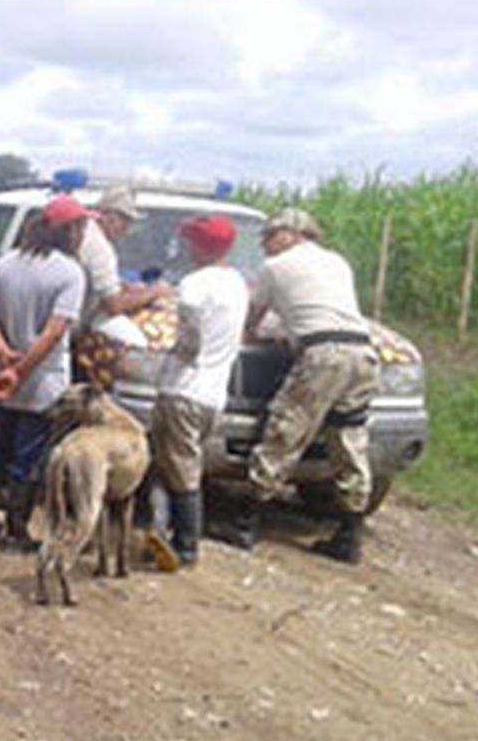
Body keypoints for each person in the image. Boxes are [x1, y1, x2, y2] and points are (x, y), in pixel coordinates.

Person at [215, 208, 380, 564]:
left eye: (270, 237)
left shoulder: (276, 268)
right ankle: (350, 533)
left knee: (284, 431)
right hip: (363, 354)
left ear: (293, 234)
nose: (266, 246)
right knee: (348, 440)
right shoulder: (337, 262)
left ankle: (246, 523)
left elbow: (253, 319)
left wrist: (256, 333)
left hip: (323, 356)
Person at [0, 195, 90, 546]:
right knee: (28, 455)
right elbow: (54, 332)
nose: (84, 233)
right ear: (69, 230)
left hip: (1, 374)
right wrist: (22, 371)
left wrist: (5, 355)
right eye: (81, 226)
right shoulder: (70, 273)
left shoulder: (5, 264)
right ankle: (17, 530)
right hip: (43, 380)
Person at [142, 214, 248, 570]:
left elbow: (189, 338)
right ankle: (157, 530)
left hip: (183, 389)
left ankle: (186, 544)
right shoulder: (237, 285)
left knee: (181, 468)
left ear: (201, 246)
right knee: (170, 461)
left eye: (191, 242)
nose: (187, 248)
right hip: (213, 395)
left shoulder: (195, 284)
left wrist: (180, 351)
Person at [77, 184, 172, 325]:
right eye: (125, 223)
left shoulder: (84, 230)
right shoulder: (100, 248)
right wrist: (154, 292)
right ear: (110, 218)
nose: (126, 230)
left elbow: (96, 279)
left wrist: (127, 287)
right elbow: (113, 306)